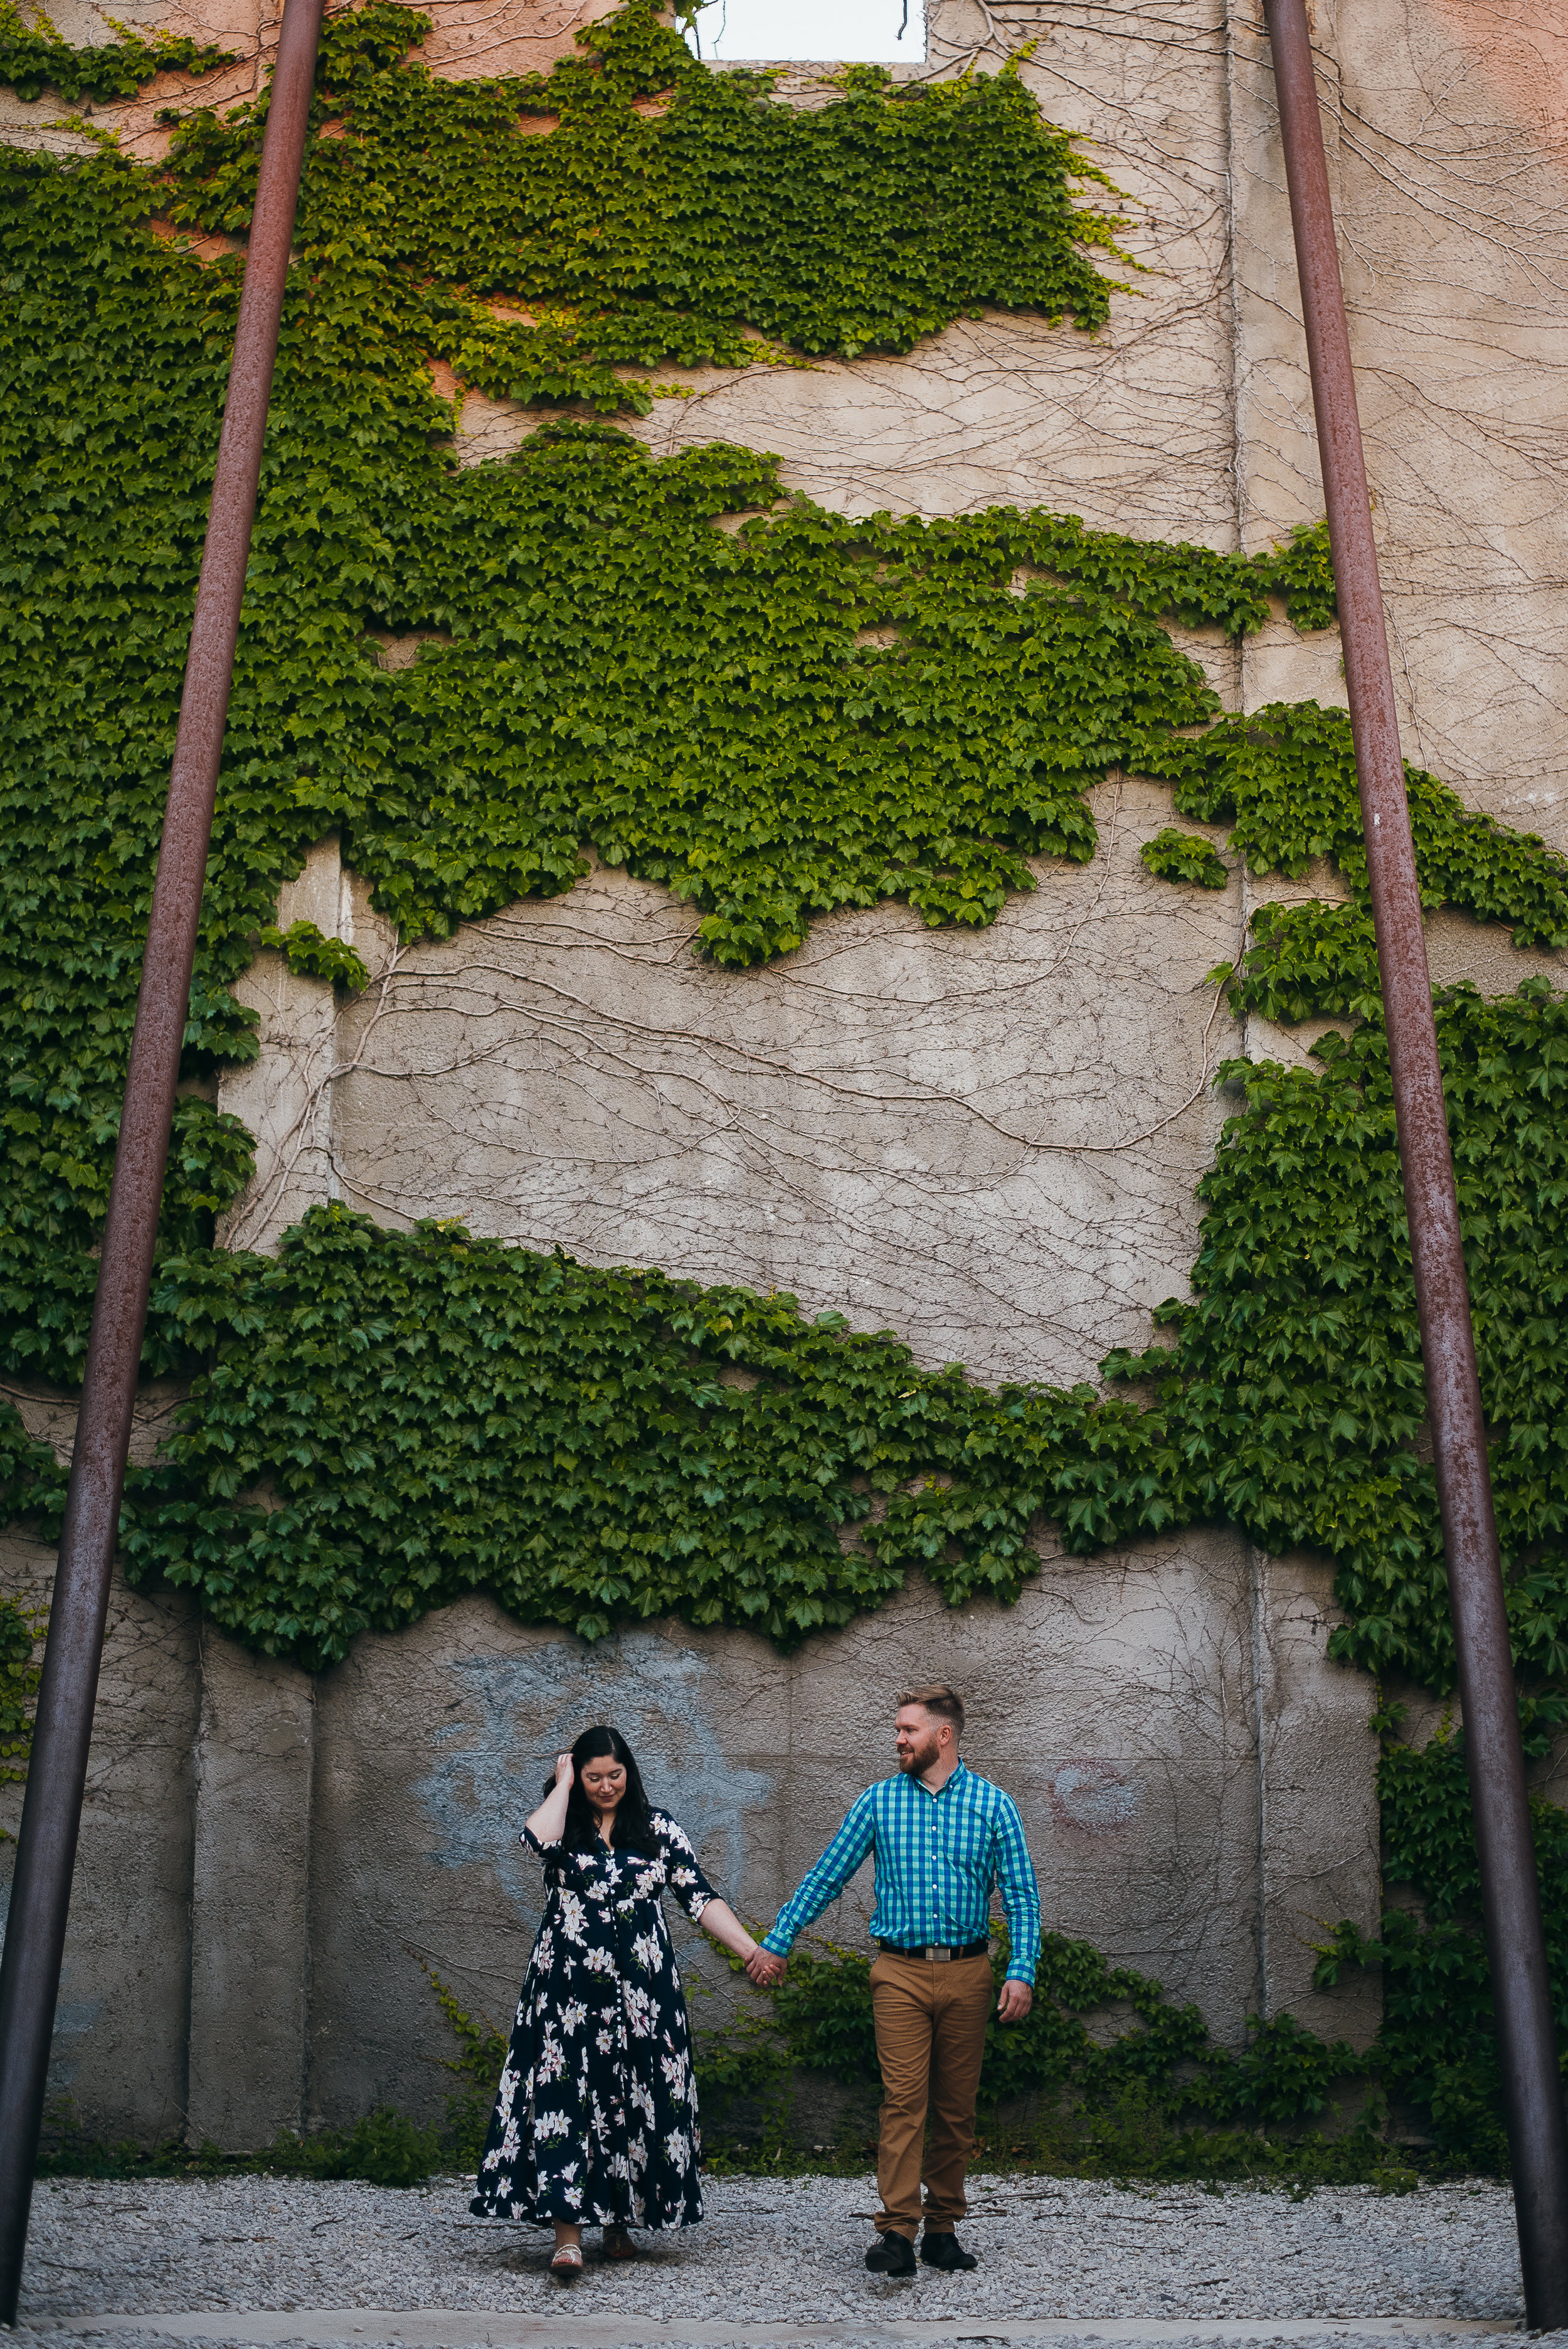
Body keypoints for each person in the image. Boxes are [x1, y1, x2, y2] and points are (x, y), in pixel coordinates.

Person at [747, 1684, 1040, 2277]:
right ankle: (897, 2233)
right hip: (898, 1972)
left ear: (944, 1734)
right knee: (904, 2102)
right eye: (899, 1728)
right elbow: (827, 1874)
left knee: (956, 2109)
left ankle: (943, 2229)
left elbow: (1024, 1897)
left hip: (968, 1971)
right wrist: (778, 1940)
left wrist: (1022, 1970)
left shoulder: (993, 1805)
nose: (898, 1738)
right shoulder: (879, 1802)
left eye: (909, 1729)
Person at [470, 1724, 765, 2278]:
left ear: (630, 1772)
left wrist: (752, 1950)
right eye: (593, 1776)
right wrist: (561, 1784)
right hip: (567, 1995)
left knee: (632, 2097)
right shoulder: (563, 1824)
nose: (606, 1786)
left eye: (615, 1774)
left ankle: (619, 2222)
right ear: (577, 1776)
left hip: (643, 1996)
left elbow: (699, 1897)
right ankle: (567, 2237)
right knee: (565, 2102)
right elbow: (532, 1840)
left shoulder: (658, 1829)